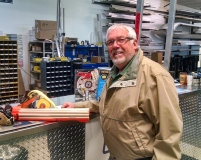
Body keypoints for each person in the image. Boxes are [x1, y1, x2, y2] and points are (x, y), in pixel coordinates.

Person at [62, 24, 183, 160]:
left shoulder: (155, 76)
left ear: (135, 43)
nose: (115, 45)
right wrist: (76, 106)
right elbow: (106, 104)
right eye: (110, 42)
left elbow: (169, 131)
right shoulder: (115, 72)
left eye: (121, 40)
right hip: (116, 155)